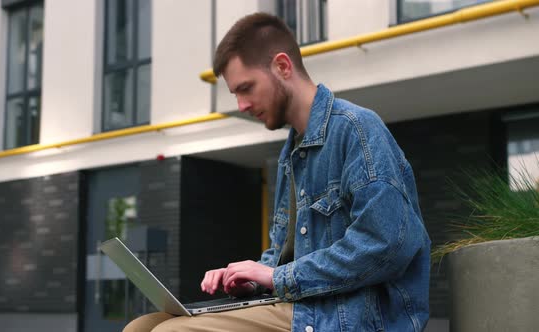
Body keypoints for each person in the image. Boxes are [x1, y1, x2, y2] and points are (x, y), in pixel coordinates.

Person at [124, 12, 430, 332]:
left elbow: (388, 244)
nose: (241, 104)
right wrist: (253, 280)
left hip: (350, 319)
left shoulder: (356, 129)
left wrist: (275, 277)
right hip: (301, 307)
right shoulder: (290, 154)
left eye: (246, 88)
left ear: (282, 67)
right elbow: (283, 256)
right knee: (142, 326)